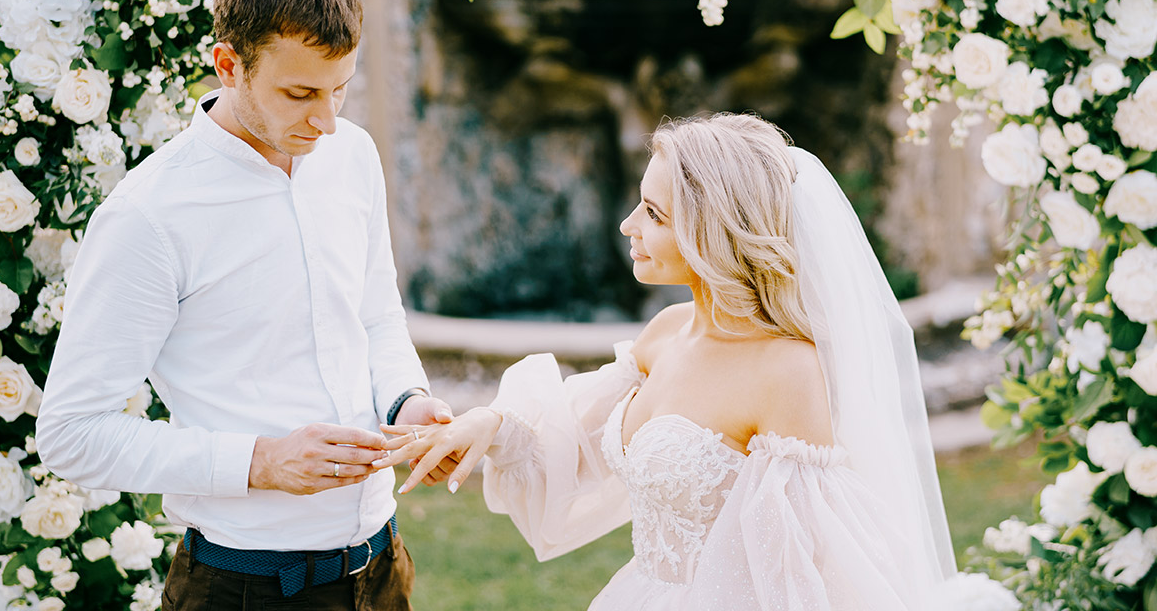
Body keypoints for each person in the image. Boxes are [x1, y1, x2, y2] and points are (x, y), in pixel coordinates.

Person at [377, 113, 957, 609]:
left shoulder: (786, 370)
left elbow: (806, 571)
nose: (628, 225)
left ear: (714, 232)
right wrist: (491, 423)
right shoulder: (666, 331)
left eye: (654, 214)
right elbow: (578, 431)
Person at [36, 0, 450, 610]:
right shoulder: (148, 215)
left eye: (341, 90)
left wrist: (408, 400)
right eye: (299, 92)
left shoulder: (354, 156)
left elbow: (374, 314)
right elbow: (71, 433)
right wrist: (260, 462)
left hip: (382, 569)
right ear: (229, 64)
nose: (325, 120)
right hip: (243, 587)